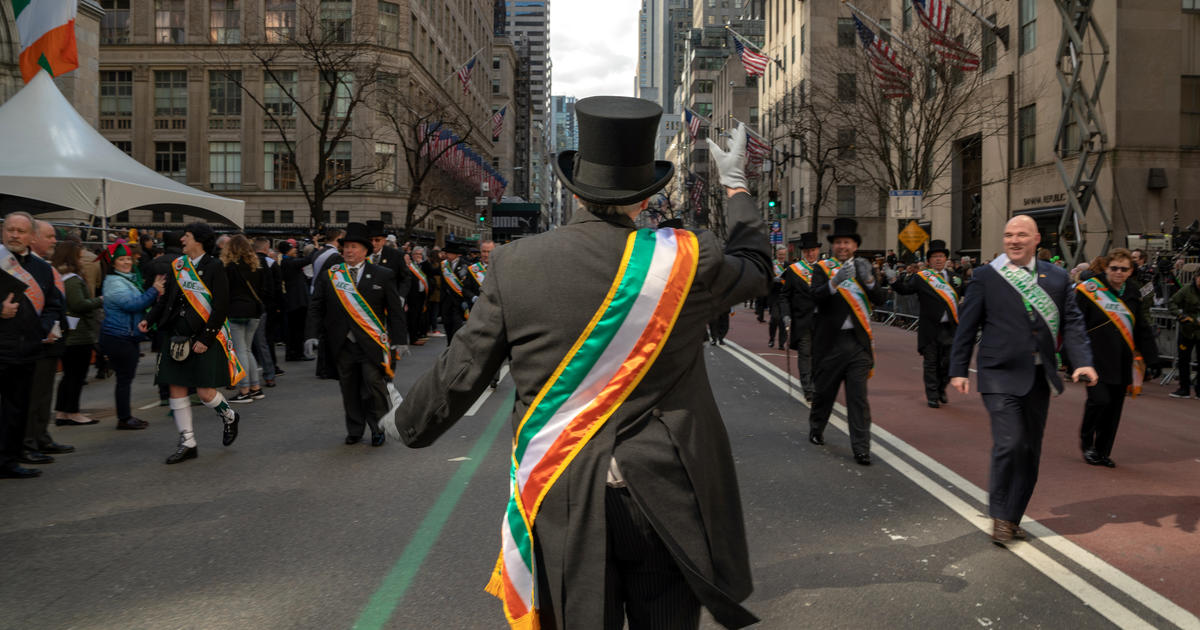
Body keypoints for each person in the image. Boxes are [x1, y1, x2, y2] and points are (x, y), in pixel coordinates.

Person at [385, 97, 767, 630]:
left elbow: (464, 369)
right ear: (646, 194)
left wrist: (408, 425)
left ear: (574, 188)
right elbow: (756, 265)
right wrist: (737, 188)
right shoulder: (686, 257)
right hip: (668, 488)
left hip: (563, 488)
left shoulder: (516, 265)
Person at [949, 215, 1096, 545]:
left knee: (1029, 451)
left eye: (1021, 235)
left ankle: (1013, 516)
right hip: (998, 373)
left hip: (1039, 377)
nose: (1014, 241)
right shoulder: (987, 276)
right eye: (1008, 235)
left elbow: (1073, 324)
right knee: (1010, 442)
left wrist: (1083, 362)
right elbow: (967, 325)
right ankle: (1000, 516)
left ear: (1036, 240)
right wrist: (958, 369)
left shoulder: (1057, 278)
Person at [146, 223, 244, 465]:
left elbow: (221, 306)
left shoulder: (215, 267)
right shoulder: (178, 265)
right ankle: (187, 441)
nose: (182, 240)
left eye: (186, 236)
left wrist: (205, 339)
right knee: (176, 387)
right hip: (175, 335)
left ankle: (230, 416)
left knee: (204, 392)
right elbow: (166, 298)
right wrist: (149, 320)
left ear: (198, 240)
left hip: (201, 337)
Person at [304, 223, 406, 446]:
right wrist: (311, 334)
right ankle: (355, 428)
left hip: (371, 343)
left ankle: (378, 426)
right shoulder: (331, 275)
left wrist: (400, 340)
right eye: (346, 247)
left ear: (365, 250)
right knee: (348, 388)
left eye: (353, 247)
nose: (348, 251)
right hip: (342, 343)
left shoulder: (383, 274)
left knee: (373, 386)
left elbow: (395, 312)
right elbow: (316, 306)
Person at [806, 218, 888, 465]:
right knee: (825, 393)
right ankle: (816, 427)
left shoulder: (864, 268)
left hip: (857, 344)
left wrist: (871, 281)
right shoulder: (823, 268)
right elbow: (815, 297)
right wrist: (835, 281)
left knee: (858, 398)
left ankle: (861, 448)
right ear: (834, 245)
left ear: (854, 245)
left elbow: (881, 299)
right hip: (830, 342)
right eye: (839, 242)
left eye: (847, 242)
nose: (843, 246)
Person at [1073, 249, 1158, 467]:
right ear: (1106, 268)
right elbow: (1075, 325)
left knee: (1114, 408)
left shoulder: (1132, 292)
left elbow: (1141, 328)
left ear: (1131, 271)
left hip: (1121, 360)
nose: (1119, 273)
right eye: (1114, 268)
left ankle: (1103, 451)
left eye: (1124, 269)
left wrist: (1152, 358)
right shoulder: (1090, 290)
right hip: (1094, 359)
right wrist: (1072, 358)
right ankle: (1087, 444)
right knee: (1099, 401)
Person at [0, 212, 63, 479]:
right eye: (10, 229)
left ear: (30, 236)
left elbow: (53, 303)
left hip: (27, 349)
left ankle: (9, 460)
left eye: (21, 231)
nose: (15, 235)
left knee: (17, 408)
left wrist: (42, 327)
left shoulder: (42, 268)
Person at [23, 220, 74, 463]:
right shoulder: (22, 267)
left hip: (52, 338)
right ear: (33, 238)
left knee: (44, 394)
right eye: (50, 236)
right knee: (32, 395)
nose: (54, 240)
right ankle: (28, 441)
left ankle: (41, 436)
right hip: (36, 339)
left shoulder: (44, 266)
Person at [99, 242, 164, 430]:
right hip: (119, 337)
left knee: (125, 378)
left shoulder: (127, 279)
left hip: (126, 336)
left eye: (128, 258)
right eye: (121, 259)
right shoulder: (114, 283)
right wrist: (154, 290)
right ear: (113, 263)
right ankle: (124, 418)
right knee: (124, 379)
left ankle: (125, 416)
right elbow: (132, 304)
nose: (127, 262)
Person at [892, 239, 964, 408]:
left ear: (946, 258)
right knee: (931, 363)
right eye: (935, 257)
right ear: (929, 260)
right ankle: (932, 395)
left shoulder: (956, 278)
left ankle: (941, 389)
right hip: (930, 328)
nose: (938, 259)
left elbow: (967, 295)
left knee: (948, 363)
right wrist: (894, 281)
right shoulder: (922, 278)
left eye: (941, 256)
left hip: (950, 328)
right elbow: (905, 289)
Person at [52, 241, 104, 426]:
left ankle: (62, 412)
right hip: (78, 334)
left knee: (69, 376)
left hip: (70, 333)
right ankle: (72, 412)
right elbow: (79, 304)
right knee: (76, 376)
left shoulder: (60, 276)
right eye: (80, 256)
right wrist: (99, 300)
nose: (82, 259)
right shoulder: (72, 280)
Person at [222, 235, 267, 403]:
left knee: (240, 351)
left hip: (235, 311)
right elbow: (264, 289)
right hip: (254, 311)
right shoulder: (257, 266)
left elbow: (225, 291)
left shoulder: (229, 267)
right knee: (247, 350)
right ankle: (255, 388)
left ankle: (244, 389)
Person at [781, 232, 820, 402]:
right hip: (802, 319)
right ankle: (808, 388)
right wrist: (786, 315)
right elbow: (784, 296)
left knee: (820, 355)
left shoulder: (826, 269)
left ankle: (818, 384)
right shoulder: (793, 271)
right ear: (802, 252)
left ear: (818, 250)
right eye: (807, 251)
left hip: (823, 321)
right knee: (805, 353)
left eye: (813, 250)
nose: (810, 253)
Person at [251, 237, 282, 386]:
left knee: (242, 347)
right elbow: (272, 288)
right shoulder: (266, 263)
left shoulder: (235, 263)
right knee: (261, 342)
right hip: (260, 307)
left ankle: (240, 379)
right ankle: (269, 374)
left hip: (240, 309)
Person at [1168, 271, 1200, 398]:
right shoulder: (1187, 289)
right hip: (1187, 330)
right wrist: (1180, 315)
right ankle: (1184, 389)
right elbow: (1172, 302)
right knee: (1183, 360)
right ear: (1196, 278)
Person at [438, 241, 476, 345]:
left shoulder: (466, 265)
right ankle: (449, 346)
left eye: (449, 253)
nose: (447, 255)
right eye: (446, 253)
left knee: (456, 327)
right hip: (446, 301)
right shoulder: (443, 265)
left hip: (459, 302)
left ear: (456, 254)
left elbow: (468, 285)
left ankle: (454, 348)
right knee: (447, 325)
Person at [279, 240, 311, 361]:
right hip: (297, 302)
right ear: (288, 250)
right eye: (293, 248)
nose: (296, 250)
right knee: (297, 329)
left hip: (294, 301)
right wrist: (317, 247)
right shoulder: (288, 262)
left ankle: (294, 352)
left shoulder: (287, 262)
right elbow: (307, 260)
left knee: (294, 329)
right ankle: (296, 353)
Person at [403, 246, 431, 346]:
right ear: (412, 255)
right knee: (413, 317)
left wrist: (423, 263)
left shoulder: (424, 265)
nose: (418, 256)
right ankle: (413, 337)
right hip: (412, 295)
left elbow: (430, 272)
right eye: (416, 254)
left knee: (420, 316)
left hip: (422, 294)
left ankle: (419, 334)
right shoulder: (410, 265)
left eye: (420, 254)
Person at [766, 245, 788, 348]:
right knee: (775, 318)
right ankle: (771, 338)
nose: (781, 256)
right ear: (776, 254)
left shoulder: (789, 266)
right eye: (780, 254)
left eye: (783, 254)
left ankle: (781, 343)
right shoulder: (772, 265)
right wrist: (773, 280)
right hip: (774, 296)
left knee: (784, 320)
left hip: (786, 297)